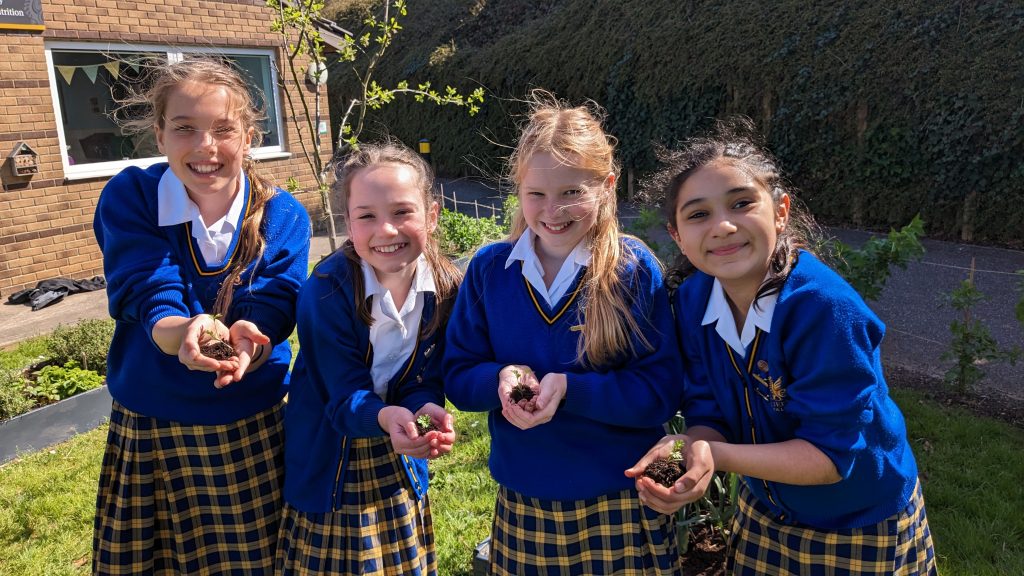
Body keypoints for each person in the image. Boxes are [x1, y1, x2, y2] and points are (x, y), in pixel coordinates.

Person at [629, 118, 937, 575]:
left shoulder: (825, 309)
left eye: (741, 203)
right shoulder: (692, 302)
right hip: (766, 510)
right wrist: (688, 453)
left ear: (780, 211)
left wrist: (716, 456)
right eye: (698, 214)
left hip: (859, 520)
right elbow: (707, 410)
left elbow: (829, 458)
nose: (723, 226)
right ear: (677, 235)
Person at [443, 92, 684, 575]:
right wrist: (499, 379)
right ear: (518, 191)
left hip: (620, 498)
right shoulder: (490, 270)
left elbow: (660, 393)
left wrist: (572, 390)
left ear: (607, 187)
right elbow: (459, 374)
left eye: (572, 192)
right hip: (525, 496)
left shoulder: (632, 269)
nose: (552, 210)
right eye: (536, 194)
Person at [91, 57, 311, 574]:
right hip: (152, 423)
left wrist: (247, 344)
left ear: (249, 137)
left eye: (223, 130)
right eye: (185, 128)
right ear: (159, 134)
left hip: (250, 423)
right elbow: (151, 290)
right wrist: (186, 332)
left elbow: (273, 306)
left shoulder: (284, 215)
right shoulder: (132, 196)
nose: (205, 146)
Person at [275, 142, 460, 575]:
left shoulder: (446, 288)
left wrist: (425, 407)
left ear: (432, 215)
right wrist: (386, 416)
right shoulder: (326, 290)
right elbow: (341, 395)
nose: (386, 230)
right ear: (348, 222)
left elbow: (424, 377)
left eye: (402, 212)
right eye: (367, 216)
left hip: (398, 453)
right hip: (329, 456)